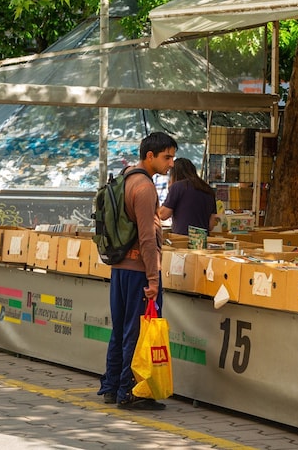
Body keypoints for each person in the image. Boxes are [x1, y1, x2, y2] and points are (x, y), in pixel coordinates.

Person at [98, 132, 177, 411]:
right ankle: (130, 391)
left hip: (120, 267)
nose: (171, 163)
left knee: (120, 329)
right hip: (138, 271)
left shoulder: (125, 178)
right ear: (150, 156)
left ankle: (111, 386)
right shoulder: (144, 188)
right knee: (137, 331)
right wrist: (153, 278)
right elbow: (147, 236)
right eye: (167, 157)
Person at [158, 158, 219, 235]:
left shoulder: (177, 187)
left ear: (174, 173)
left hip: (182, 239)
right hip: (202, 241)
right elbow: (211, 225)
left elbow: (163, 215)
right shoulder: (208, 189)